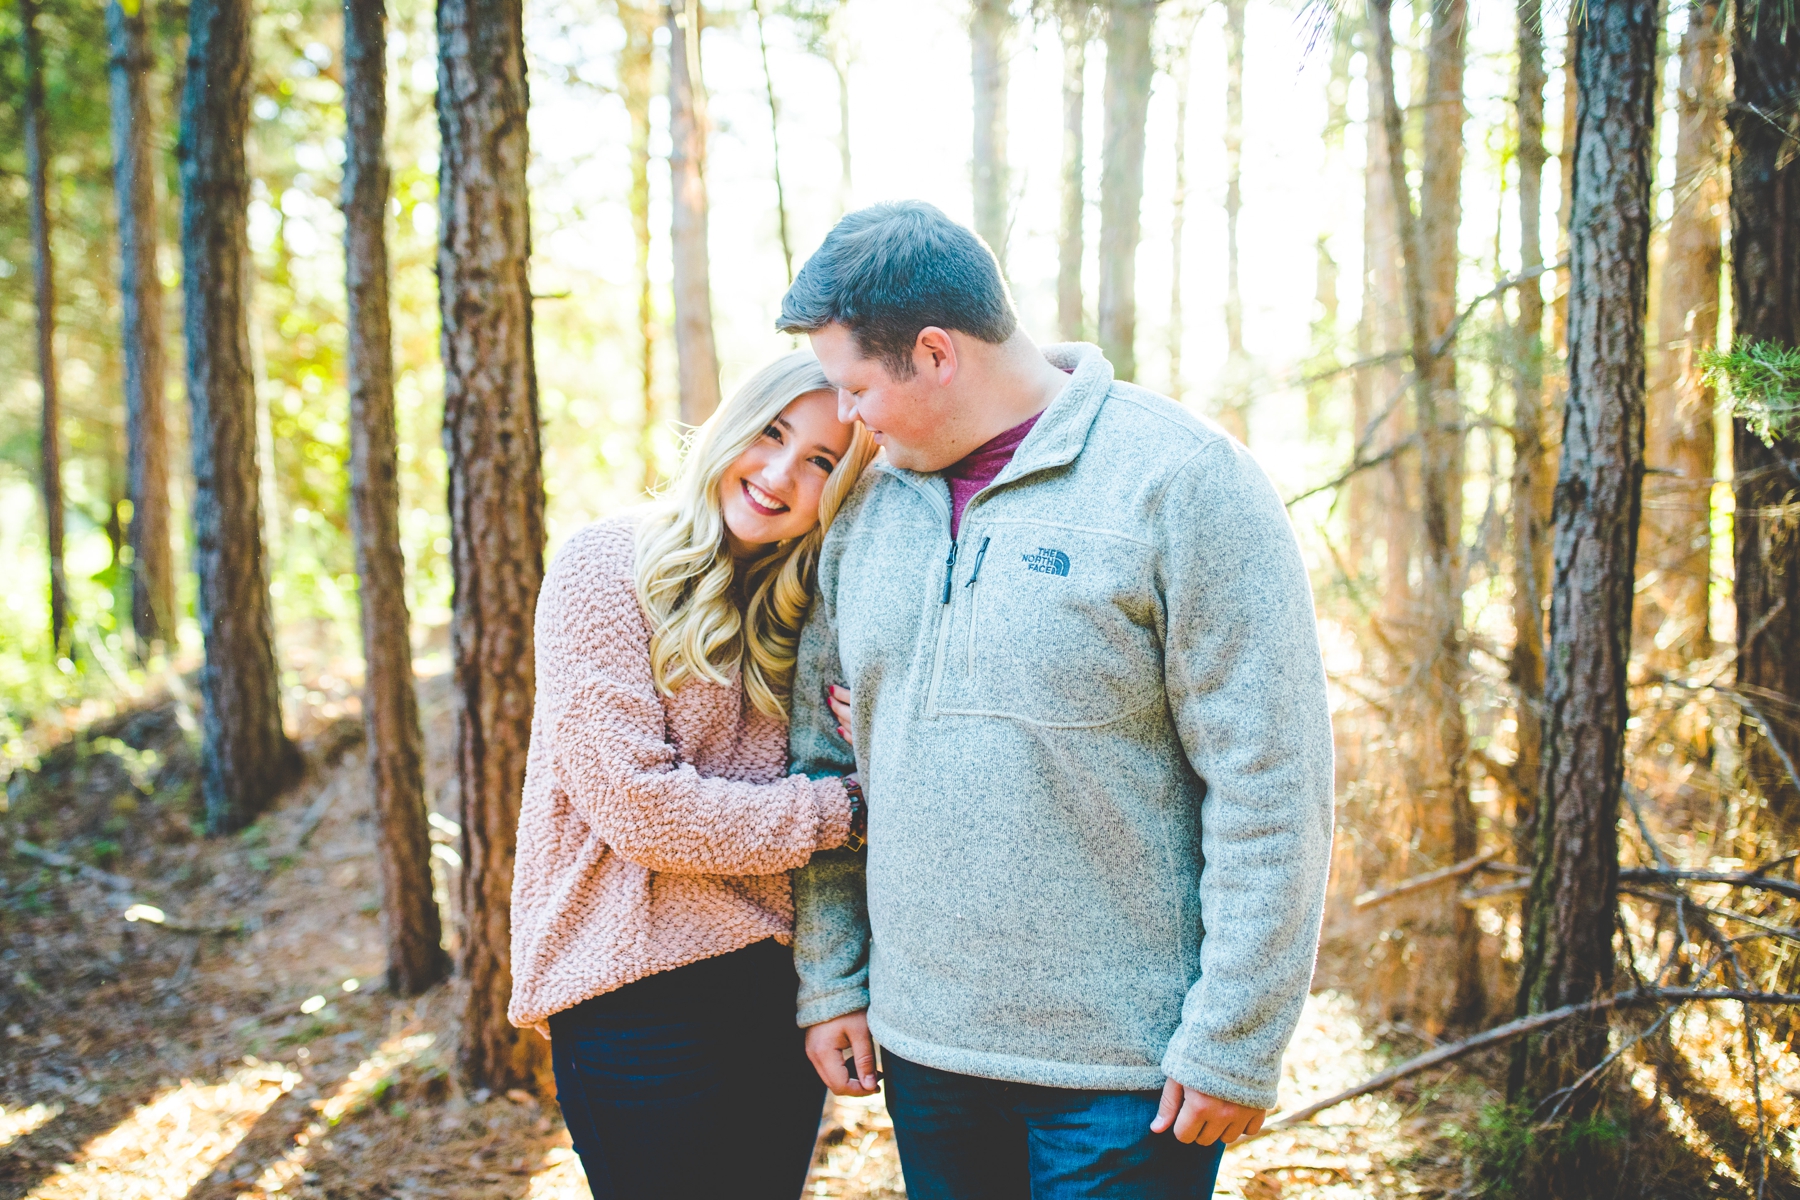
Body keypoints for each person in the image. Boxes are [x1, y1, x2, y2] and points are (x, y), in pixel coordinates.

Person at [782, 202, 1335, 1199]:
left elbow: (1271, 784)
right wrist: (834, 980)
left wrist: (1236, 1038)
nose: (850, 417)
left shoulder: (1183, 482)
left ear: (936, 354)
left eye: (857, 387)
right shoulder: (865, 510)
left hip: (1129, 1075)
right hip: (926, 1055)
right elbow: (826, 763)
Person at [508, 350, 878, 1199]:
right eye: (772, 433)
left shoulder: (814, 608)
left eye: (821, 460)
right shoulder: (606, 566)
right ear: (732, 425)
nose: (780, 474)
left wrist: (881, 741)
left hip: (777, 985)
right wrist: (847, 809)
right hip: (633, 987)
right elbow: (641, 808)